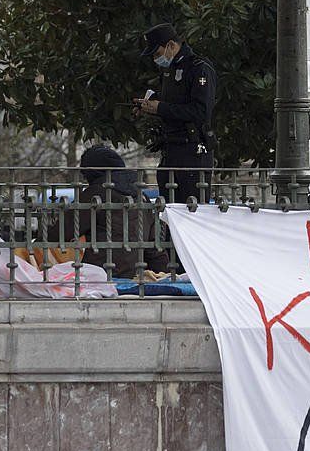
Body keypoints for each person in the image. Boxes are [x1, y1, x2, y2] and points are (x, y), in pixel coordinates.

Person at [132, 23, 216, 204]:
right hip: (171, 149)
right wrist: (149, 104)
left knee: (192, 211)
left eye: (157, 53)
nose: (156, 59)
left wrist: (160, 108)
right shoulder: (169, 70)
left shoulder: (199, 68)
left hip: (193, 150)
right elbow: (173, 102)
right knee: (168, 211)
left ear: (171, 45)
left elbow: (200, 111)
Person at [65, 144, 171, 279]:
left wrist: (33, 244)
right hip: (134, 276)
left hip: (99, 276)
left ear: (91, 173)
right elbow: (154, 249)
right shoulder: (141, 197)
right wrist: (166, 277)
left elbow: (61, 232)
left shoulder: (95, 195)